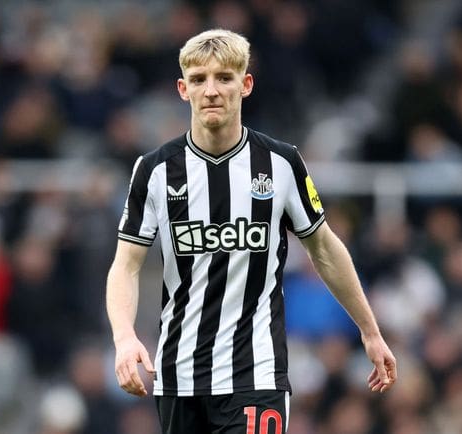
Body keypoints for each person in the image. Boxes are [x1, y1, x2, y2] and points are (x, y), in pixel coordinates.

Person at [106, 28, 397, 434]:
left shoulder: (281, 163)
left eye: (224, 78)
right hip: (179, 377)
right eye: (199, 79)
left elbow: (325, 249)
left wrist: (370, 331)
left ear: (245, 85)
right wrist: (124, 337)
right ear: (182, 89)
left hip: (256, 376)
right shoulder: (154, 170)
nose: (211, 90)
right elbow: (126, 265)